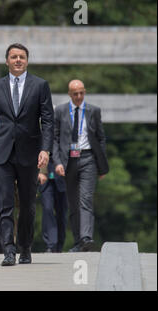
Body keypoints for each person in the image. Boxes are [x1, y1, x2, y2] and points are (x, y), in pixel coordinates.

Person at [0, 43, 54, 266]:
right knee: (4, 204)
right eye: (13, 57)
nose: (17, 60)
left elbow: (48, 120)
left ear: (26, 60)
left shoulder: (40, 85)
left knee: (27, 206)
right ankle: (8, 250)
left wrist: (45, 149)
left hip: (29, 153)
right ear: (7, 61)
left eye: (21, 57)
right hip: (2, 153)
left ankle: (25, 246)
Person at [53, 79, 109, 252]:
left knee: (85, 199)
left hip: (88, 158)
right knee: (73, 202)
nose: (78, 96)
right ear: (69, 94)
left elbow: (100, 138)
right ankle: (78, 242)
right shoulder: (61, 111)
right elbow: (54, 138)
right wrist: (57, 162)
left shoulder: (94, 111)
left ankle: (86, 238)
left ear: (85, 92)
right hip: (68, 160)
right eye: (75, 94)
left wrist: (101, 166)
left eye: (81, 93)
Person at [38, 159, 68, 253]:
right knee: (47, 209)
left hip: (62, 177)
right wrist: (38, 172)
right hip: (45, 179)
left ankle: (59, 244)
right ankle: (51, 244)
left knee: (61, 212)